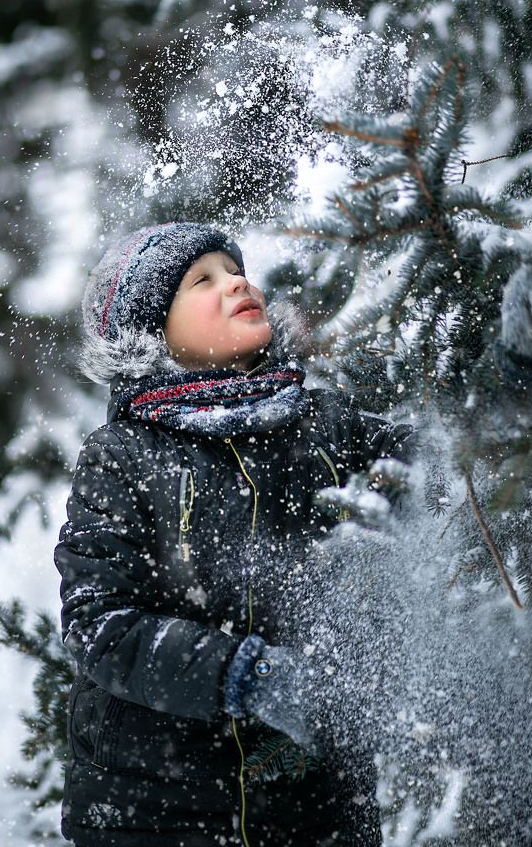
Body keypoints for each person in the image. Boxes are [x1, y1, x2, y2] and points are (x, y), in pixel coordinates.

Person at [55, 222, 412, 847]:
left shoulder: (326, 424)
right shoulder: (124, 454)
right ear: (152, 334)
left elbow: (454, 470)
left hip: (315, 807)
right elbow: (101, 624)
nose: (237, 281)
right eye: (203, 280)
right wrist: (243, 676)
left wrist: (511, 375)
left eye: (235, 268)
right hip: (158, 810)